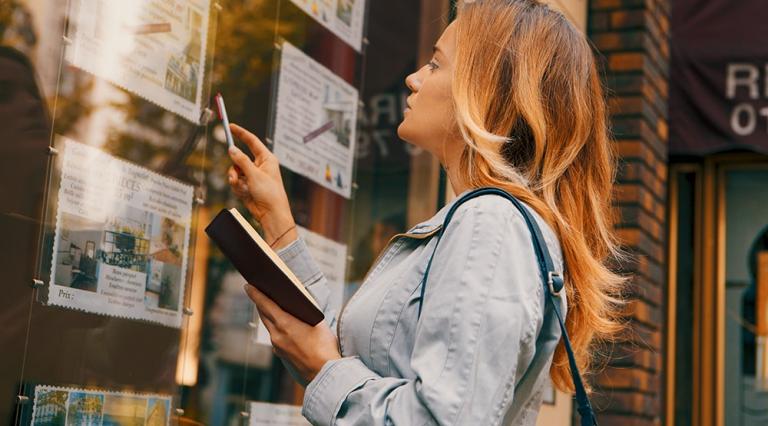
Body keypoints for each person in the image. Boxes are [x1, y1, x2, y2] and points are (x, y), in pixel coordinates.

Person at [226, 0, 626, 424]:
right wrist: (276, 218)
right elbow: (348, 355)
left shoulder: (491, 224)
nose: (413, 79)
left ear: (485, 91)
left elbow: (440, 419)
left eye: (436, 64)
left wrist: (321, 369)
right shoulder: (479, 222)